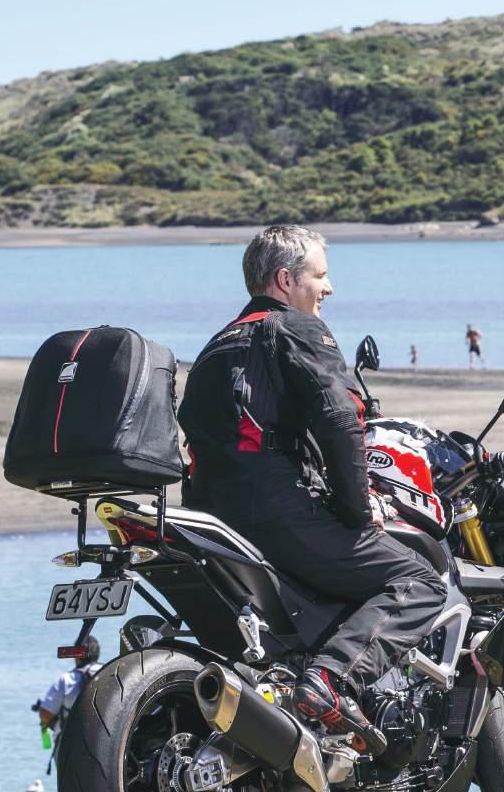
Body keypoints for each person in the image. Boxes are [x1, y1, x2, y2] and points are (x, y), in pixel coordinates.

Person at [178, 225, 447, 745]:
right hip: (277, 510)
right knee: (419, 581)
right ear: (285, 280)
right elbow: (340, 420)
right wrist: (357, 509)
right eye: (320, 275)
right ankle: (331, 678)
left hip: (212, 517)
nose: (329, 288)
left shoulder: (216, 344)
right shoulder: (296, 327)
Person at [34, 636, 102, 771]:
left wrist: (52, 721)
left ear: (76, 655)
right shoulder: (110, 673)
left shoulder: (66, 680)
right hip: (103, 743)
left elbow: (45, 714)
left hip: (70, 746)